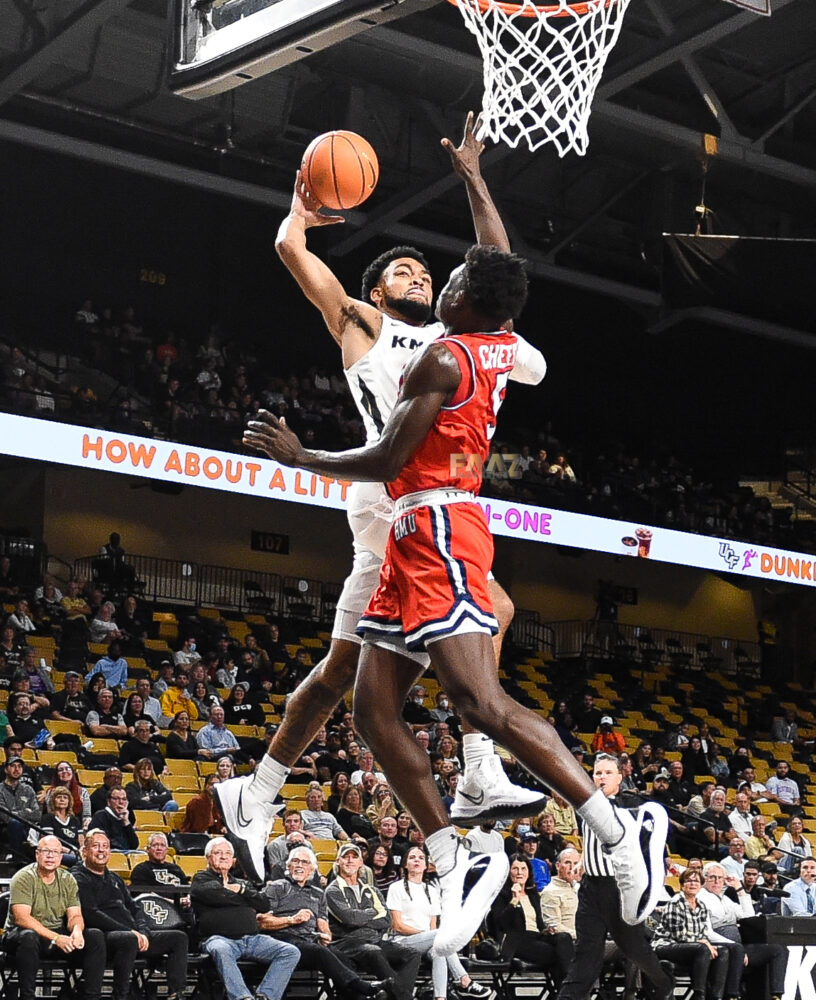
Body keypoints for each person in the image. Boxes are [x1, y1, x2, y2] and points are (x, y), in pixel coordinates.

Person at [246, 244, 667, 955]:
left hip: (439, 523)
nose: (446, 281)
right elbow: (498, 259)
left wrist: (302, 457)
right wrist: (473, 179)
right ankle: (453, 854)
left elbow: (386, 461)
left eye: (458, 279)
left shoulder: (444, 359)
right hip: (413, 533)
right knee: (372, 709)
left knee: (478, 702)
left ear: (473, 302)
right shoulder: (495, 340)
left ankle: (621, 832)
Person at [214, 116, 550, 887]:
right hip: (385, 494)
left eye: (425, 274)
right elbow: (296, 258)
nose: (418, 277)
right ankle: (475, 768)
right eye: (402, 271)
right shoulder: (363, 326)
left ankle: (256, 793)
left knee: (341, 674)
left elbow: (495, 268)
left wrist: (473, 178)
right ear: (374, 291)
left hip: (410, 505)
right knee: (492, 610)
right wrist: (300, 217)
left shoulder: (452, 337)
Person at [555, 753, 672, 1000]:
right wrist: (585, 860)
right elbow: (593, 837)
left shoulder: (627, 804)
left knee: (634, 948)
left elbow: (638, 842)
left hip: (619, 888)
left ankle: (663, 985)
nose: (601, 777)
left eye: (608, 773)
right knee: (587, 951)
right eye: (598, 773)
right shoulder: (587, 804)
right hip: (591, 887)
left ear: (620, 777)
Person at [259, 845, 391, 998]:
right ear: (289, 866)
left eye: (305, 862)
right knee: (319, 951)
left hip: (310, 940)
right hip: (283, 939)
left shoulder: (318, 893)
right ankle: (365, 988)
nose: (300, 865)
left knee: (339, 954)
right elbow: (263, 921)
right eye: (296, 861)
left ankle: (355, 997)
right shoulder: (276, 887)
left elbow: (323, 925)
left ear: (312, 869)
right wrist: (291, 920)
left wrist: (326, 936)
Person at [72, 829, 188, 1000]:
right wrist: (130, 931)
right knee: (128, 939)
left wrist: (143, 931)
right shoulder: (78, 877)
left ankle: (176, 994)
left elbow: (135, 908)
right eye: (96, 846)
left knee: (179, 937)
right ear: (85, 851)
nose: (101, 851)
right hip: (103, 937)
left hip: (133, 934)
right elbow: (91, 913)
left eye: (105, 847)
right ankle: (121, 995)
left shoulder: (115, 878)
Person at [190, 837, 300, 1000]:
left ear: (233, 860)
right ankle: (242, 997)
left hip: (252, 939)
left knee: (290, 951)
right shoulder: (200, 879)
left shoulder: (242, 883)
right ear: (208, 857)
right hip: (219, 939)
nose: (223, 856)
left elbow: (264, 904)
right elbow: (217, 896)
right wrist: (245, 898)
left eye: (228, 853)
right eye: (218, 853)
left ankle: (265, 996)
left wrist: (241, 890)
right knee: (221, 949)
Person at [2, 836, 104, 1000]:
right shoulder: (23, 877)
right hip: (21, 935)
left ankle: (91, 996)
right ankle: (27, 997)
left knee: (95, 936)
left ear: (61, 857)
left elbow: (75, 914)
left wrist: (77, 930)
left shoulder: (68, 879)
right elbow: (22, 919)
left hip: (56, 934)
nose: (50, 856)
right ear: (37, 854)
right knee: (29, 936)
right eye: (46, 851)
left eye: (55, 852)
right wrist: (56, 938)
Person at [386, 845, 491, 1000]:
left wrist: (431, 937)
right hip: (402, 941)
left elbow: (433, 925)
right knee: (440, 937)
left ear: (426, 866)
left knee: (439, 952)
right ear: (405, 864)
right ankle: (464, 980)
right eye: (412, 857)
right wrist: (429, 936)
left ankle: (440, 997)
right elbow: (397, 925)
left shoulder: (432, 890)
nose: (417, 860)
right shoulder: (396, 887)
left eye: (421, 858)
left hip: (428, 940)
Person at [326, 843, 422, 1000]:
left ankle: (391, 995)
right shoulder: (333, 890)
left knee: (412, 954)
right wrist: (371, 913)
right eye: (345, 857)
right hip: (348, 943)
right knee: (373, 951)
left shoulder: (372, 890)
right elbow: (350, 919)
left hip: (375, 940)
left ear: (360, 863)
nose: (350, 861)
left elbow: (386, 920)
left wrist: (360, 918)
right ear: (338, 861)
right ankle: (404, 997)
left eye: (354, 857)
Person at [697, 860, 784, 1000]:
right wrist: (735, 946)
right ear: (704, 878)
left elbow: (748, 916)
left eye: (720, 877)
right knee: (737, 950)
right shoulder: (700, 897)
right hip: (716, 944)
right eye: (712, 877)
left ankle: (776, 995)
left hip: (737, 945)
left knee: (777, 950)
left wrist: (740, 889)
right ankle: (733, 995)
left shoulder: (726, 899)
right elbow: (707, 932)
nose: (716, 881)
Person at [489, 854, 574, 989]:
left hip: (537, 937)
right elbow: (500, 924)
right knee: (560, 955)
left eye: (523, 868)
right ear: (508, 872)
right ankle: (570, 992)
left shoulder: (533, 895)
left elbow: (539, 924)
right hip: (516, 940)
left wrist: (546, 931)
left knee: (564, 938)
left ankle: (566, 992)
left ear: (529, 872)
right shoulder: (501, 895)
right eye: (515, 869)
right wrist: (514, 900)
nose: (519, 873)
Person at [652, 868, 729, 999]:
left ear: (700, 885)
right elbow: (678, 934)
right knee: (703, 948)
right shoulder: (675, 902)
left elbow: (703, 933)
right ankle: (699, 994)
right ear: (682, 885)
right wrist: (702, 942)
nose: (692, 884)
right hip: (665, 946)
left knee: (723, 951)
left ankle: (716, 996)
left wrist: (704, 942)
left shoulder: (702, 906)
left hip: (691, 947)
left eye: (696, 881)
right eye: (688, 881)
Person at [0, 755, 42, 851]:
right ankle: (18, 857)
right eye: (13, 766)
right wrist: (26, 811)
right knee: (15, 823)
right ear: (6, 770)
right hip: (5, 830)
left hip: (29, 828)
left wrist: (15, 812)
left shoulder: (28, 789)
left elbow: (38, 814)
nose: (17, 769)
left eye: (19, 766)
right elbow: (5, 818)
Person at [37, 786, 83, 864]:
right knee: (78, 861)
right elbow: (49, 842)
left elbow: (81, 840)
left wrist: (81, 851)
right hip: (57, 852)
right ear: (53, 801)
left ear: (69, 801)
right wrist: (69, 851)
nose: (62, 800)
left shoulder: (74, 819)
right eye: (59, 797)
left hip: (76, 852)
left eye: (65, 797)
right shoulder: (47, 818)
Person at [88, 785, 138, 852]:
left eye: (124, 799)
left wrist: (126, 822)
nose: (121, 802)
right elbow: (101, 842)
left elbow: (134, 845)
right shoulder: (100, 816)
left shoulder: (126, 818)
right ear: (109, 802)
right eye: (117, 799)